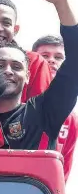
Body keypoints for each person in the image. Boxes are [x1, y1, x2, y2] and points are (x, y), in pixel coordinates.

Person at [0, 0, 78, 151]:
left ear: (28, 76)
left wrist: (61, 3)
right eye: (0, 65)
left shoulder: (44, 112)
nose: (8, 71)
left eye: (16, 66)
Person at [32, 34, 76, 180]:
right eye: (44, 56)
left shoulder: (71, 118)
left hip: (44, 192)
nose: (51, 60)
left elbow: (64, 166)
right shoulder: (20, 100)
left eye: (58, 57)